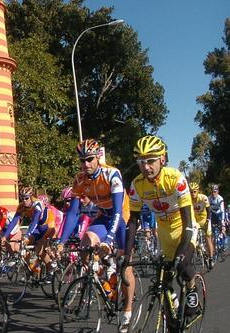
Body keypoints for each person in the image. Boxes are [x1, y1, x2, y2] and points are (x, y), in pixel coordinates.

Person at [58, 139, 134, 332]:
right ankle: (104, 273)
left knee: (125, 267)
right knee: (85, 246)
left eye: (90, 159)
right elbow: (73, 214)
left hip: (122, 217)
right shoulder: (80, 180)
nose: (86, 164)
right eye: (82, 160)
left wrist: (109, 239)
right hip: (104, 216)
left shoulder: (112, 174)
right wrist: (61, 242)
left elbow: (118, 212)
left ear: (98, 157)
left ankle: (127, 310)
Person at [125, 135, 200, 319]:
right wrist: (126, 254)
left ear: (162, 159)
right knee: (162, 279)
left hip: (184, 227)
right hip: (164, 232)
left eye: (150, 161)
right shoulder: (137, 185)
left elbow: (188, 222)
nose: (146, 167)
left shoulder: (176, 178)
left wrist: (182, 252)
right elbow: (133, 221)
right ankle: (172, 315)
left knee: (182, 265)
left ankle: (192, 289)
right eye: (141, 162)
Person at [190, 182, 214, 268]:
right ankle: (199, 250)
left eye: (194, 191)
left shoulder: (203, 198)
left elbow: (209, 211)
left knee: (208, 238)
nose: (193, 194)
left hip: (205, 220)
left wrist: (207, 221)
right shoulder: (188, 199)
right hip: (196, 221)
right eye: (191, 191)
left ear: (198, 191)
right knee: (193, 239)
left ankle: (211, 258)